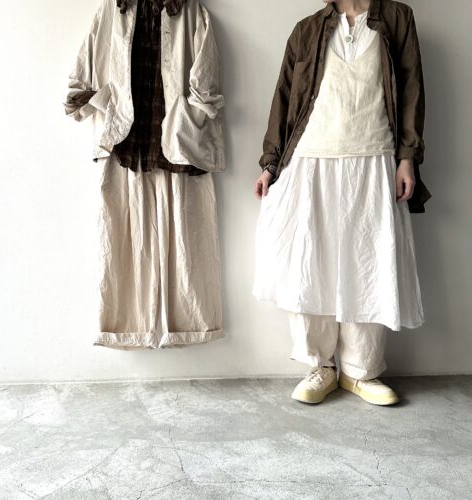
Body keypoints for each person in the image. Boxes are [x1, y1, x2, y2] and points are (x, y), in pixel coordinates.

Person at [252, 0, 432, 405]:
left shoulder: (398, 18)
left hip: (373, 158)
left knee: (368, 264)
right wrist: (269, 164)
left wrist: (407, 157)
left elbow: (411, 90)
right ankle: (321, 367)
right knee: (310, 264)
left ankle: (360, 371)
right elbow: (284, 97)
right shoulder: (306, 29)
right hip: (310, 160)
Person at [64, 0, 226, 349]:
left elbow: (206, 73)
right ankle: (124, 327)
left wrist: (193, 116)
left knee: (187, 236)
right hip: (124, 139)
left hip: (178, 138)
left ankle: (189, 327)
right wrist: (98, 101)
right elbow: (87, 64)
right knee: (122, 237)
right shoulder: (112, 9)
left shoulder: (190, 9)